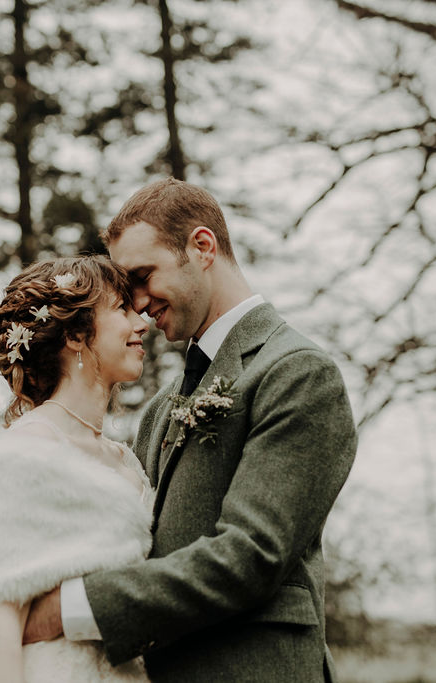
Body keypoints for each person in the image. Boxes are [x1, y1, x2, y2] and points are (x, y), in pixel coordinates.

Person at [23, 178, 358, 682]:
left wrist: (73, 608)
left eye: (142, 275)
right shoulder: (161, 407)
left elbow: (253, 554)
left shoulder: (297, 372)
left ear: (202, 247)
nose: (136, 303)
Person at [0, 255, 153, 682]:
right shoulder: (25, 452)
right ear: (74, 335)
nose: (142, 323)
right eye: (121, 309)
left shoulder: (124, 458)